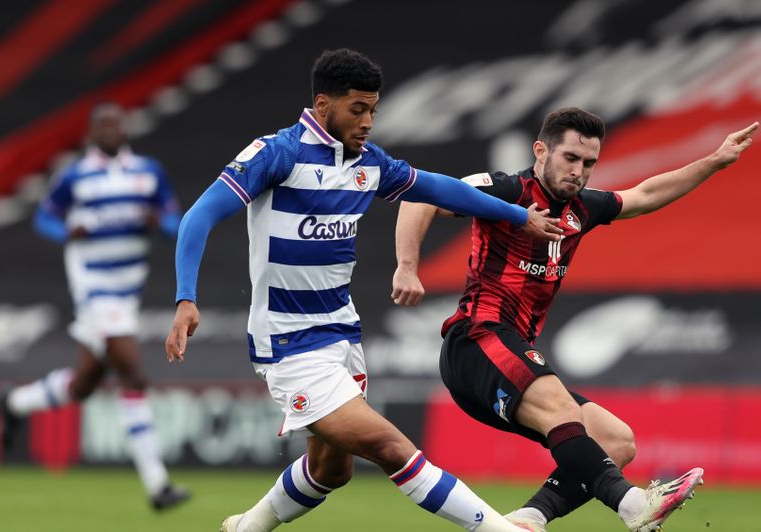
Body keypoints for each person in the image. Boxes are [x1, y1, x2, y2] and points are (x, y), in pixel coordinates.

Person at [165, 48, 562, 532]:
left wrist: (521, 215)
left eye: (374, 109)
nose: (369, 121)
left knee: (331, 470)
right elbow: (198, 216)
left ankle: (242, 529)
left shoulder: (369, 163)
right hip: (289, 345)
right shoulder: (277, 153)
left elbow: (438, 188)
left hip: (341, 337)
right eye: (358, 109)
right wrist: (187, 298)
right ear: (322, 103)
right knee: (392, 448)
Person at [392, 107, 759, 532]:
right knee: (562, 407)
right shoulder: (507, 190)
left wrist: (712, 162)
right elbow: (421, 194)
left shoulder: (583, 208)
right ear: (541, 150)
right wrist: (406, 266)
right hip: (476, 341)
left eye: (588, 163)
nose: (579, 171)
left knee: (617, 441)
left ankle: (529, 519)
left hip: (511, 357)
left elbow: (644, 196)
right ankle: (634, 505)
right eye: (570, 158)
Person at [0, 102, 190, 511]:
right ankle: (158, 485)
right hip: (93, 288)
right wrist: (69, 229)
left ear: (125, 129)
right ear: (91, 132)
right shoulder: (76, 176)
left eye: (115, 123)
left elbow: (175, 223)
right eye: (102, 124)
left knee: (84, 382)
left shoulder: (147, 172)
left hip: (127, 290)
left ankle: (14, 404)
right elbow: (44, 220)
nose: (110, 130)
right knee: (132, 374)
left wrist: (159, 224)